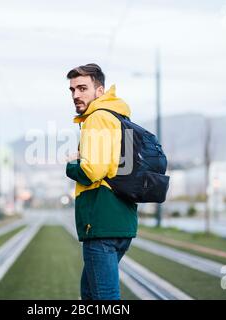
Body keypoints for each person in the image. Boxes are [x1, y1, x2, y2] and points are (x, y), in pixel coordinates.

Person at [65, 63, 138, 300]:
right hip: (121, 223)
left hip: (101, 224)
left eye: (82, 88)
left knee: (104, 300)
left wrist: (72, 165)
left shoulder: (98, 118)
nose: (76, 95)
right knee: (89, 294)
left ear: (99, 90)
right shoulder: (119, 116)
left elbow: (93, 171)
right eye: (72, 90)